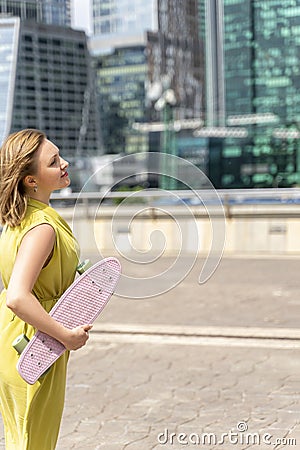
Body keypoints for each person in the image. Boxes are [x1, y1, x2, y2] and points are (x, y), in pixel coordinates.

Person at [0, 129, 92, 449]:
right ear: (31, 180)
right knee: (33, 441)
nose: (64, 163)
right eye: (54, 162)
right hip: (35, 344)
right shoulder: (42, 228)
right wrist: (66, 336)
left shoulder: (20, 219)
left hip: (21, 339)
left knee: (23, 437)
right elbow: (17, 296)